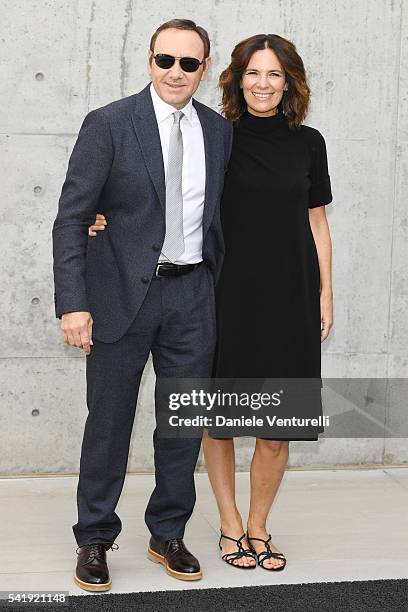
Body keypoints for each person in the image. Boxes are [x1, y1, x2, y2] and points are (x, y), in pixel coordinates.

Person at [89, 33, 334, 572]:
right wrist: (101, 220)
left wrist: (325, 291)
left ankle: (258, 527)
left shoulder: (306, 142)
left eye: (274, 74)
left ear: (289, 81)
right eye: (252, 72)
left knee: (277, 426)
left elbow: (316, 221)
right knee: (216, 420)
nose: (262, 84)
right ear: (234, 77)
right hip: (223, 295)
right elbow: (155, 191)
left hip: (290, 296)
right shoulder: (220, 134)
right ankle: (227, 526)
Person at [52, 19, 233, 591]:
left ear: (204, 69)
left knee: (181, 423)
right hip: (119, 295)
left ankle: (168, 532)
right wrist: (73, 303)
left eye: (188, 63)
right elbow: (73, 217)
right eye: (165, 60)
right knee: (109, 421)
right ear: (148, 61)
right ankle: (95, 538)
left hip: (193, 294)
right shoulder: (108, 123)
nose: (175, 72)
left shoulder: (218, 130)